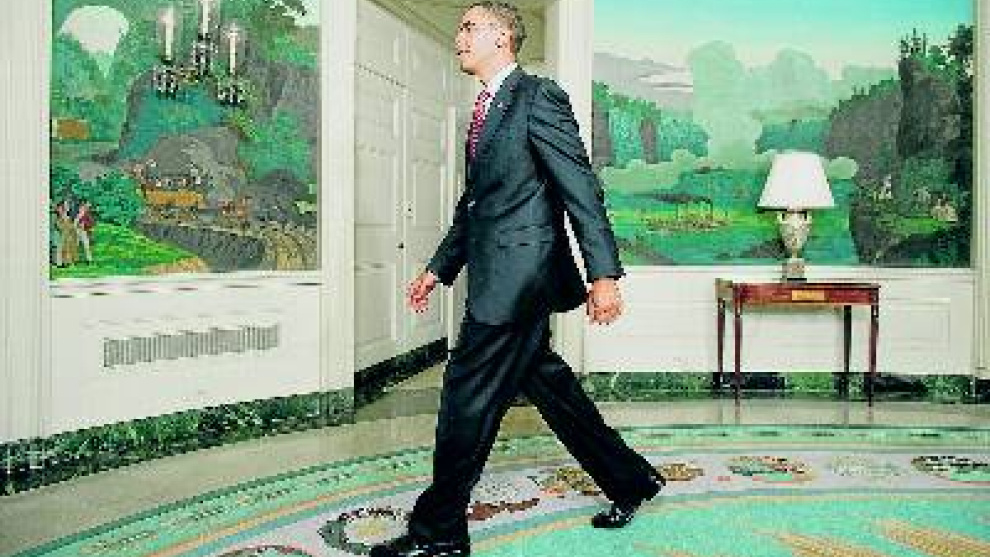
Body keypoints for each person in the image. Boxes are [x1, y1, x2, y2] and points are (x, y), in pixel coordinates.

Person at [370, 3, 663, 557]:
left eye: (469, 27)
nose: (459, 36)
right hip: (503, 278)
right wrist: (438, 268)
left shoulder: (538, 96)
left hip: (518, 281)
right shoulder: (485, 108)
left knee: (464, 398)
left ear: (502, 37)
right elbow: (478, 204)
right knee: (553, 390)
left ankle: (439, 533)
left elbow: (580, 186)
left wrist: (604, 274)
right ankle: (630, 480)